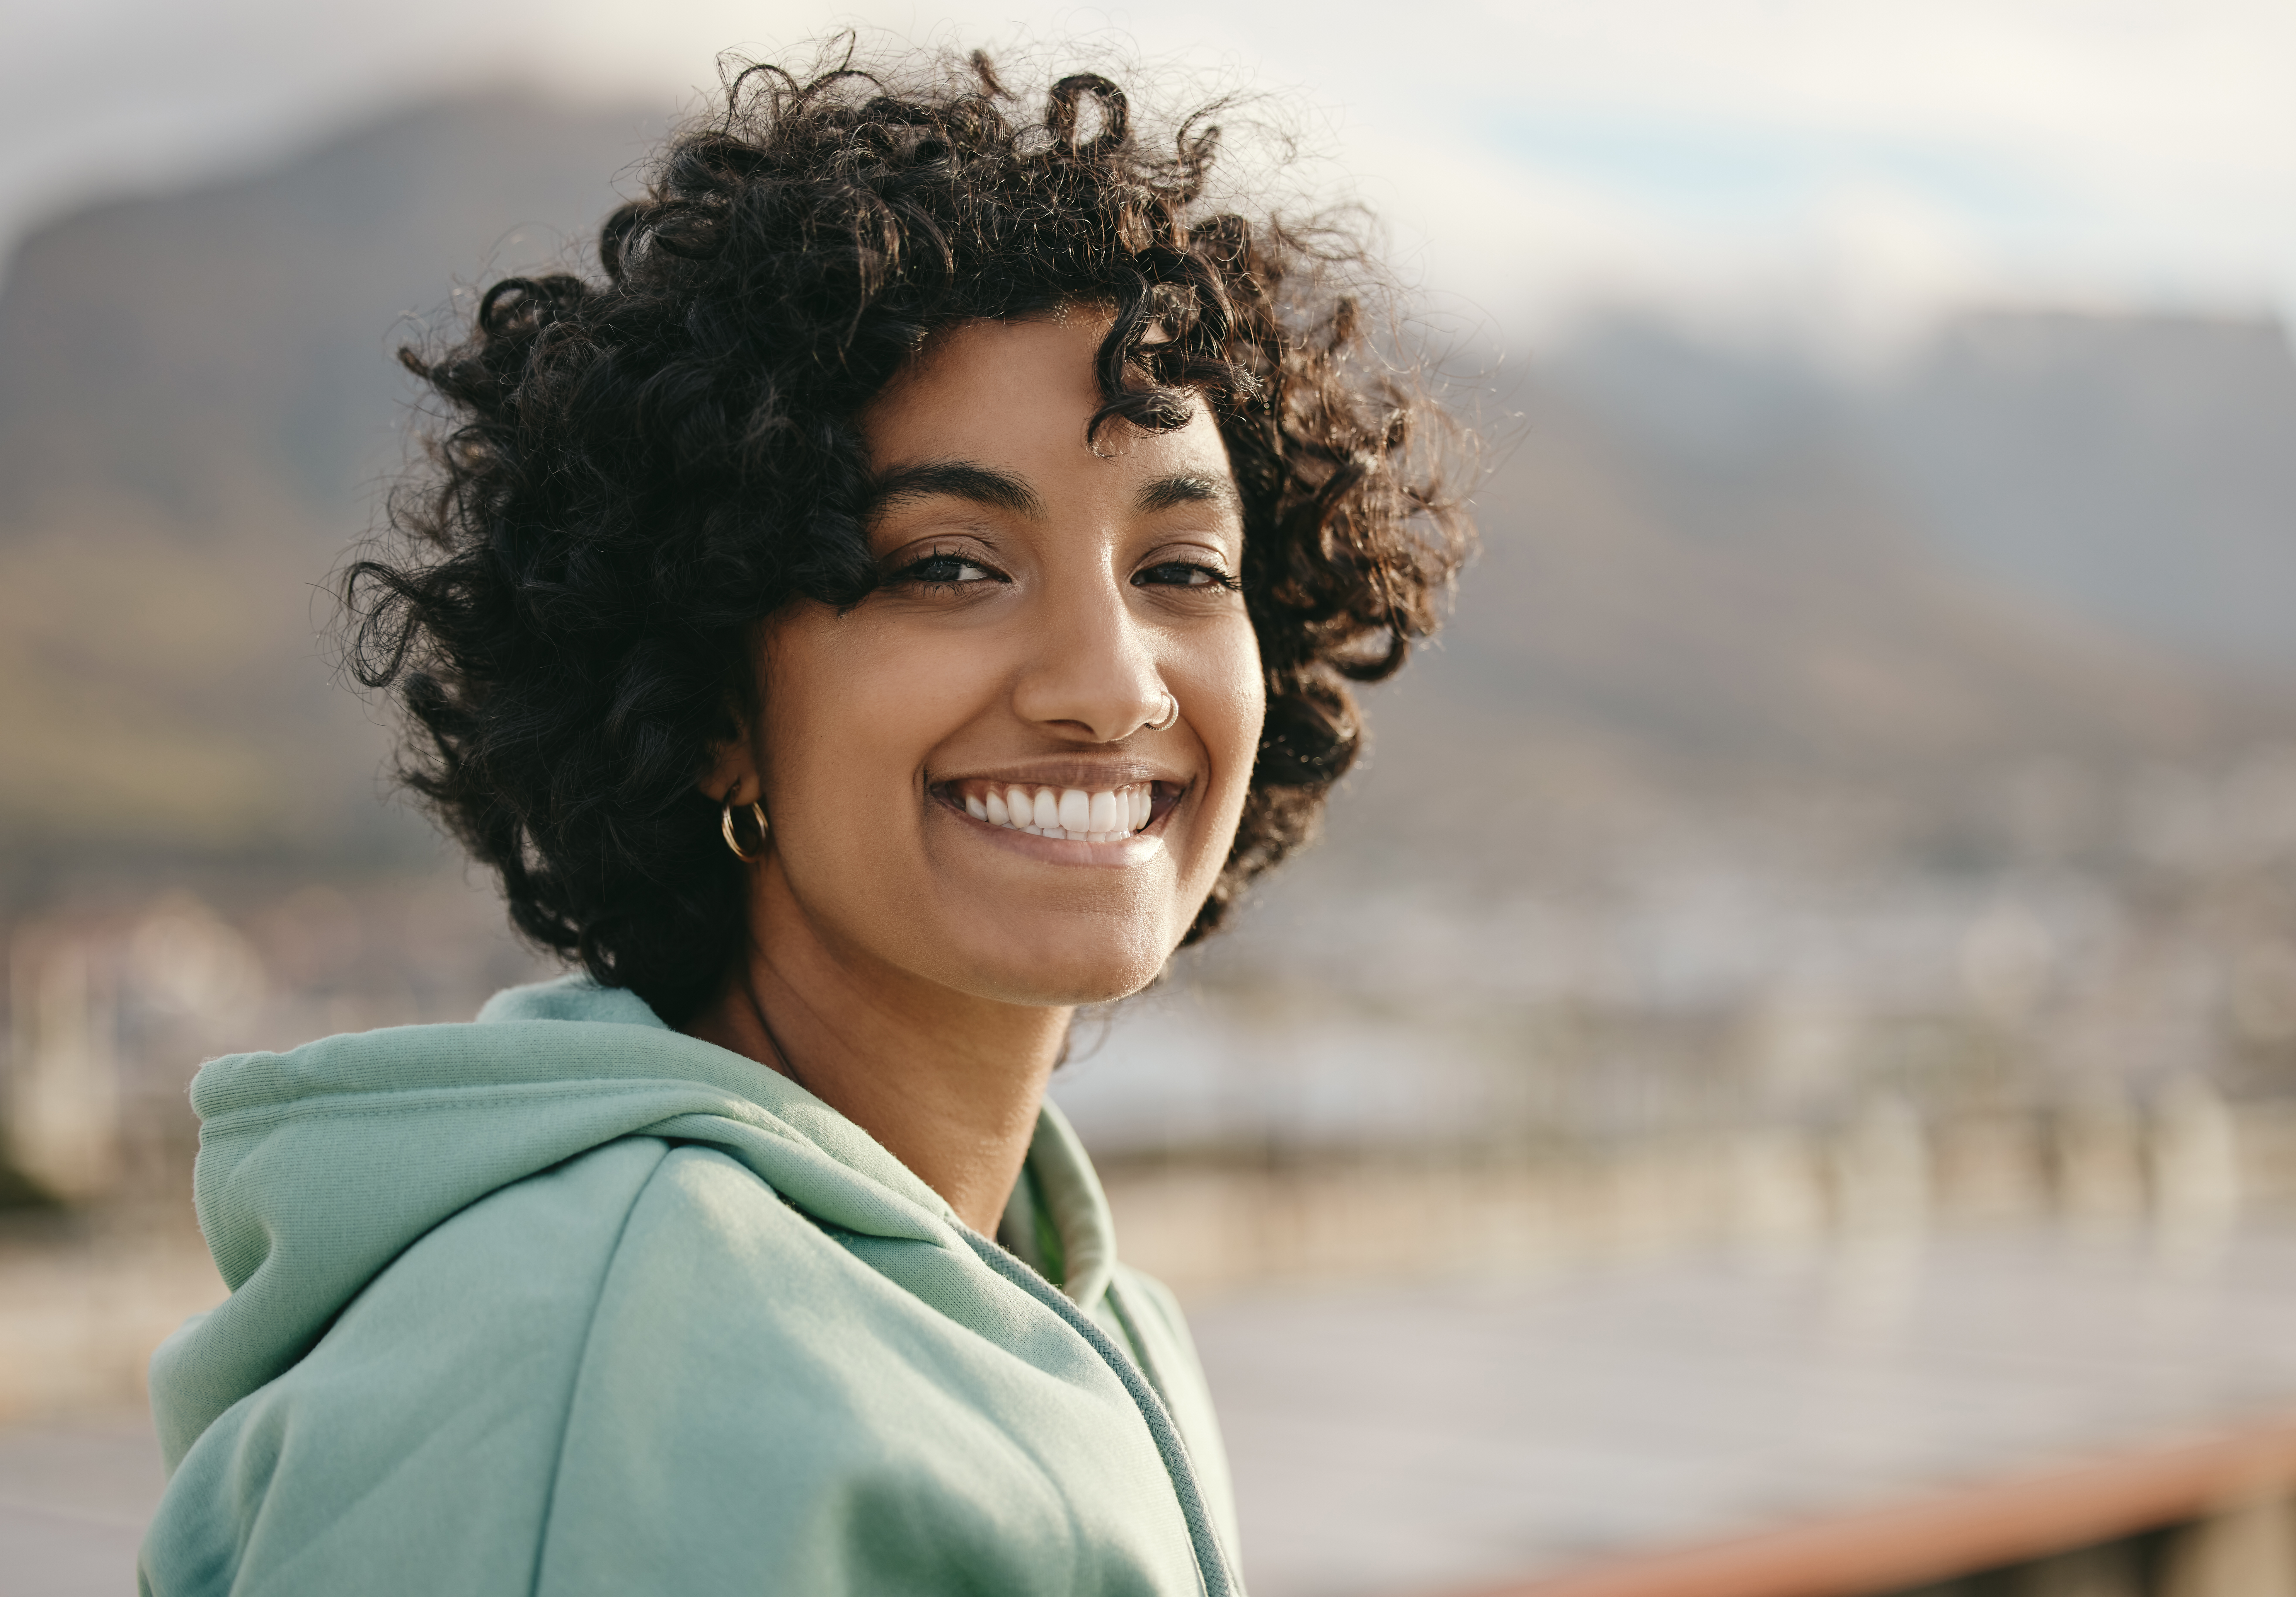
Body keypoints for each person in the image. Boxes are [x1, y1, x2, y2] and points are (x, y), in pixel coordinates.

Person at [138, 41, 1469, 1596]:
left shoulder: (1069, 1302)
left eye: (1183, 570)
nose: (1111, 689)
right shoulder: (618, 1363)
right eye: (947, 566)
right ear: (713, 709)